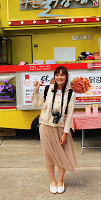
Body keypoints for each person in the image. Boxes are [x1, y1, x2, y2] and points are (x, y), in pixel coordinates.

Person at [32, 66, 77, 194]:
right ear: (54, 76)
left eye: (62, 75)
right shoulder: (47, 89)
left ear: (66, 77)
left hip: (60, 129)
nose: (59, 77)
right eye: (57, 75)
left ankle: (61, 180)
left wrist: (65, 133)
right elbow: (35, 104)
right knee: (48, 155)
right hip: (45, 127)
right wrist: (36, 90)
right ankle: (52, 180)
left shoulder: (71, 94)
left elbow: (69, 116)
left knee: (61, 155)